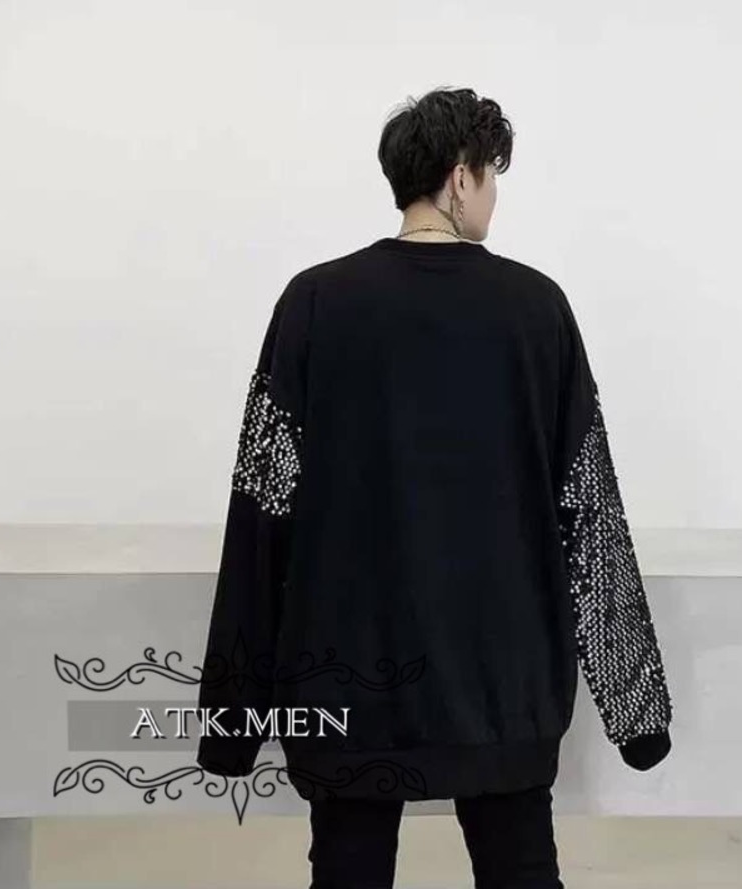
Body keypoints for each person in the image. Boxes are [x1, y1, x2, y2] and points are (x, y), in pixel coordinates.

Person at [195, 85, 673, 889]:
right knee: (521, 871)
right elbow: (589, 512)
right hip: (501, 676)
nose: (493, 197)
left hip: (346, 673)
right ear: (460, 178)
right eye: (491, 176)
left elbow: (262, 511)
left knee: (346, 873)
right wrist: (637, 715)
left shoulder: (315, 301)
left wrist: (232, 721)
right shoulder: (536, 309)